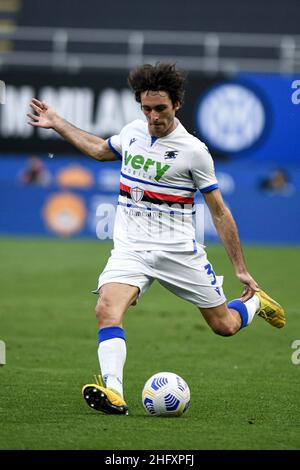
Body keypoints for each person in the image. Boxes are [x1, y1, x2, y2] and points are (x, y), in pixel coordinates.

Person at [27, 63, 285, 416]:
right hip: (130, 249)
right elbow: (102, 149)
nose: (153, 116)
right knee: (106, 309)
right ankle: (114, 392)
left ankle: (255, 303)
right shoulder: (133, 132)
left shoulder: (193, 151)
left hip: (178, 252)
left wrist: (240, 269)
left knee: (224, 326)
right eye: (147, 108)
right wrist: (58, 123)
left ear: (177, 104)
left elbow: (220, 212)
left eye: (160, 108)